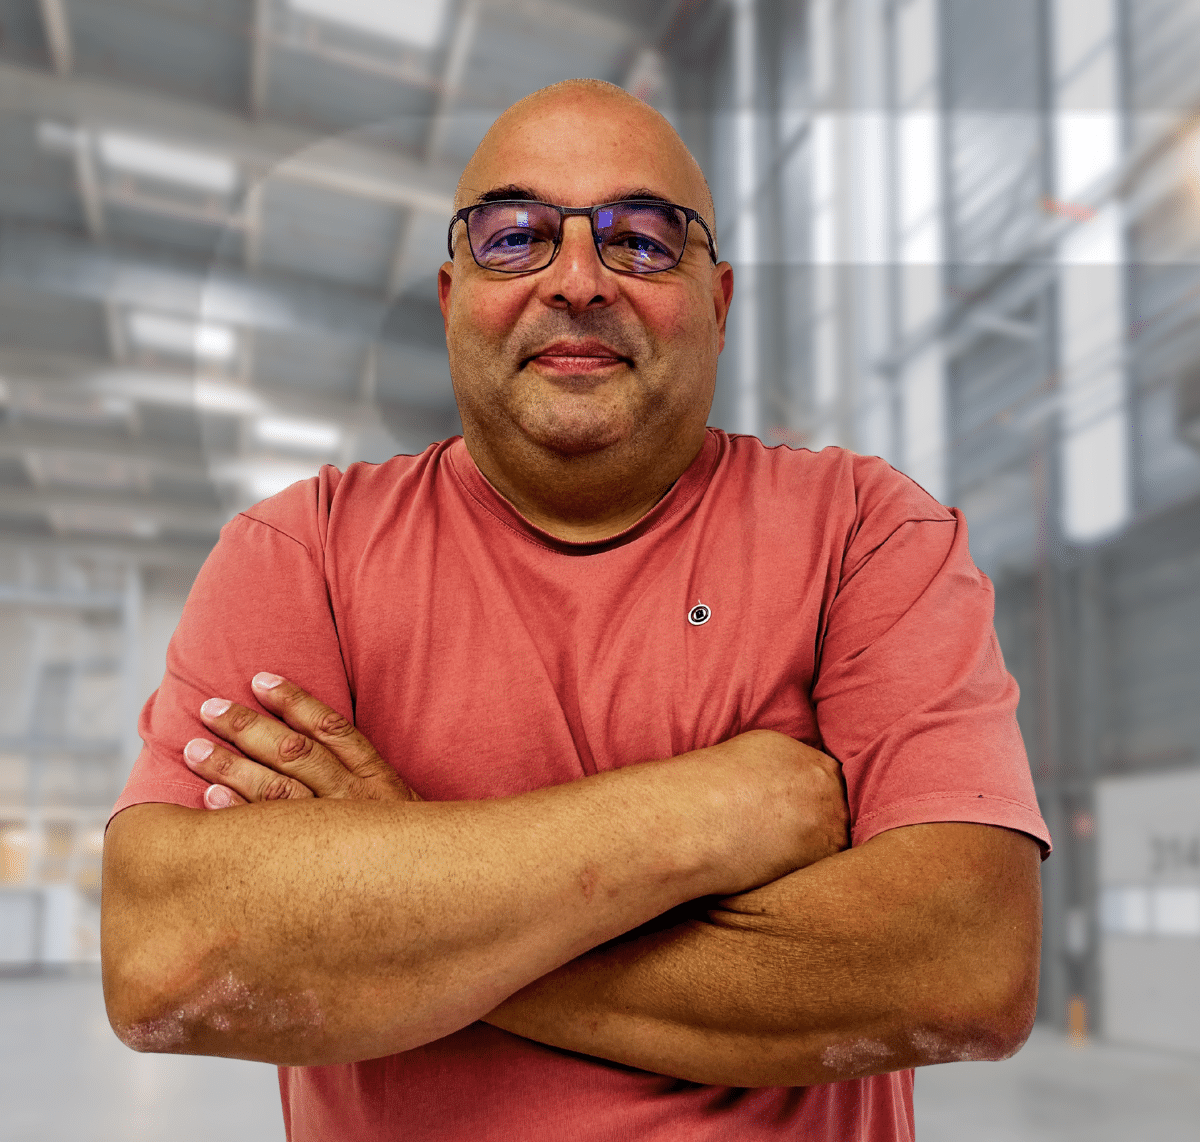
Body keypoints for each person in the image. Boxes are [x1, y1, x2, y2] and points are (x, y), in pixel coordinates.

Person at [101, 80, 1050, 1142]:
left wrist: (405, 905)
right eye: (517, 238)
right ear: (451, 296)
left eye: (644, 239)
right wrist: (705, 819)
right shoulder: (302, 554)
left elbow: (963, 964)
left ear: (721, 302)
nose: (580, 282)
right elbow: (167, 958)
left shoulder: (866, 535)